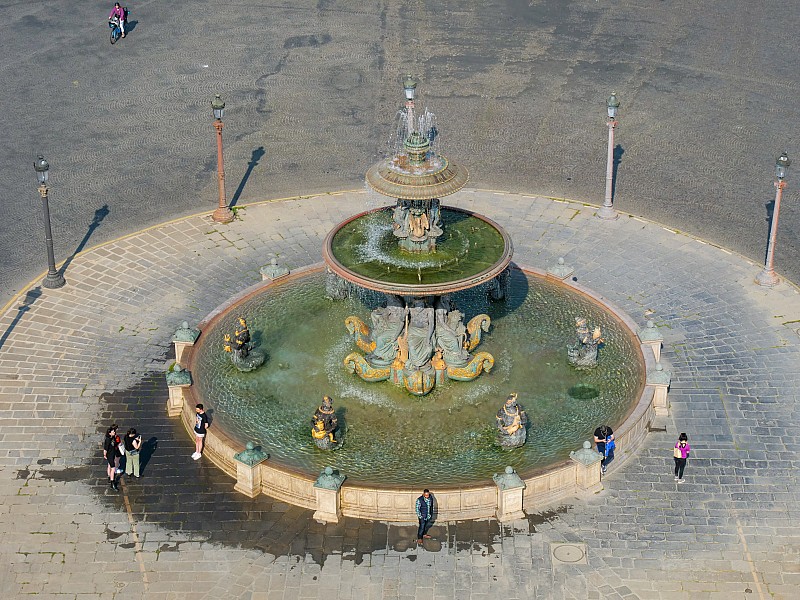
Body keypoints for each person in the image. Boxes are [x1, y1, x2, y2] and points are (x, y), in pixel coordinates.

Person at [102, 424, 120, 489]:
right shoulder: (108, 440)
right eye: (113, 432)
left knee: (109, 465)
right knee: (113, 468)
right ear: (109, 433)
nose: (114, 432)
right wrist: (104, 454)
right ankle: (112, 482)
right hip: (110, 455)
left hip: (112, 453)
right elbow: (105, 448)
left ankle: (109, 477)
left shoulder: (112, 437)